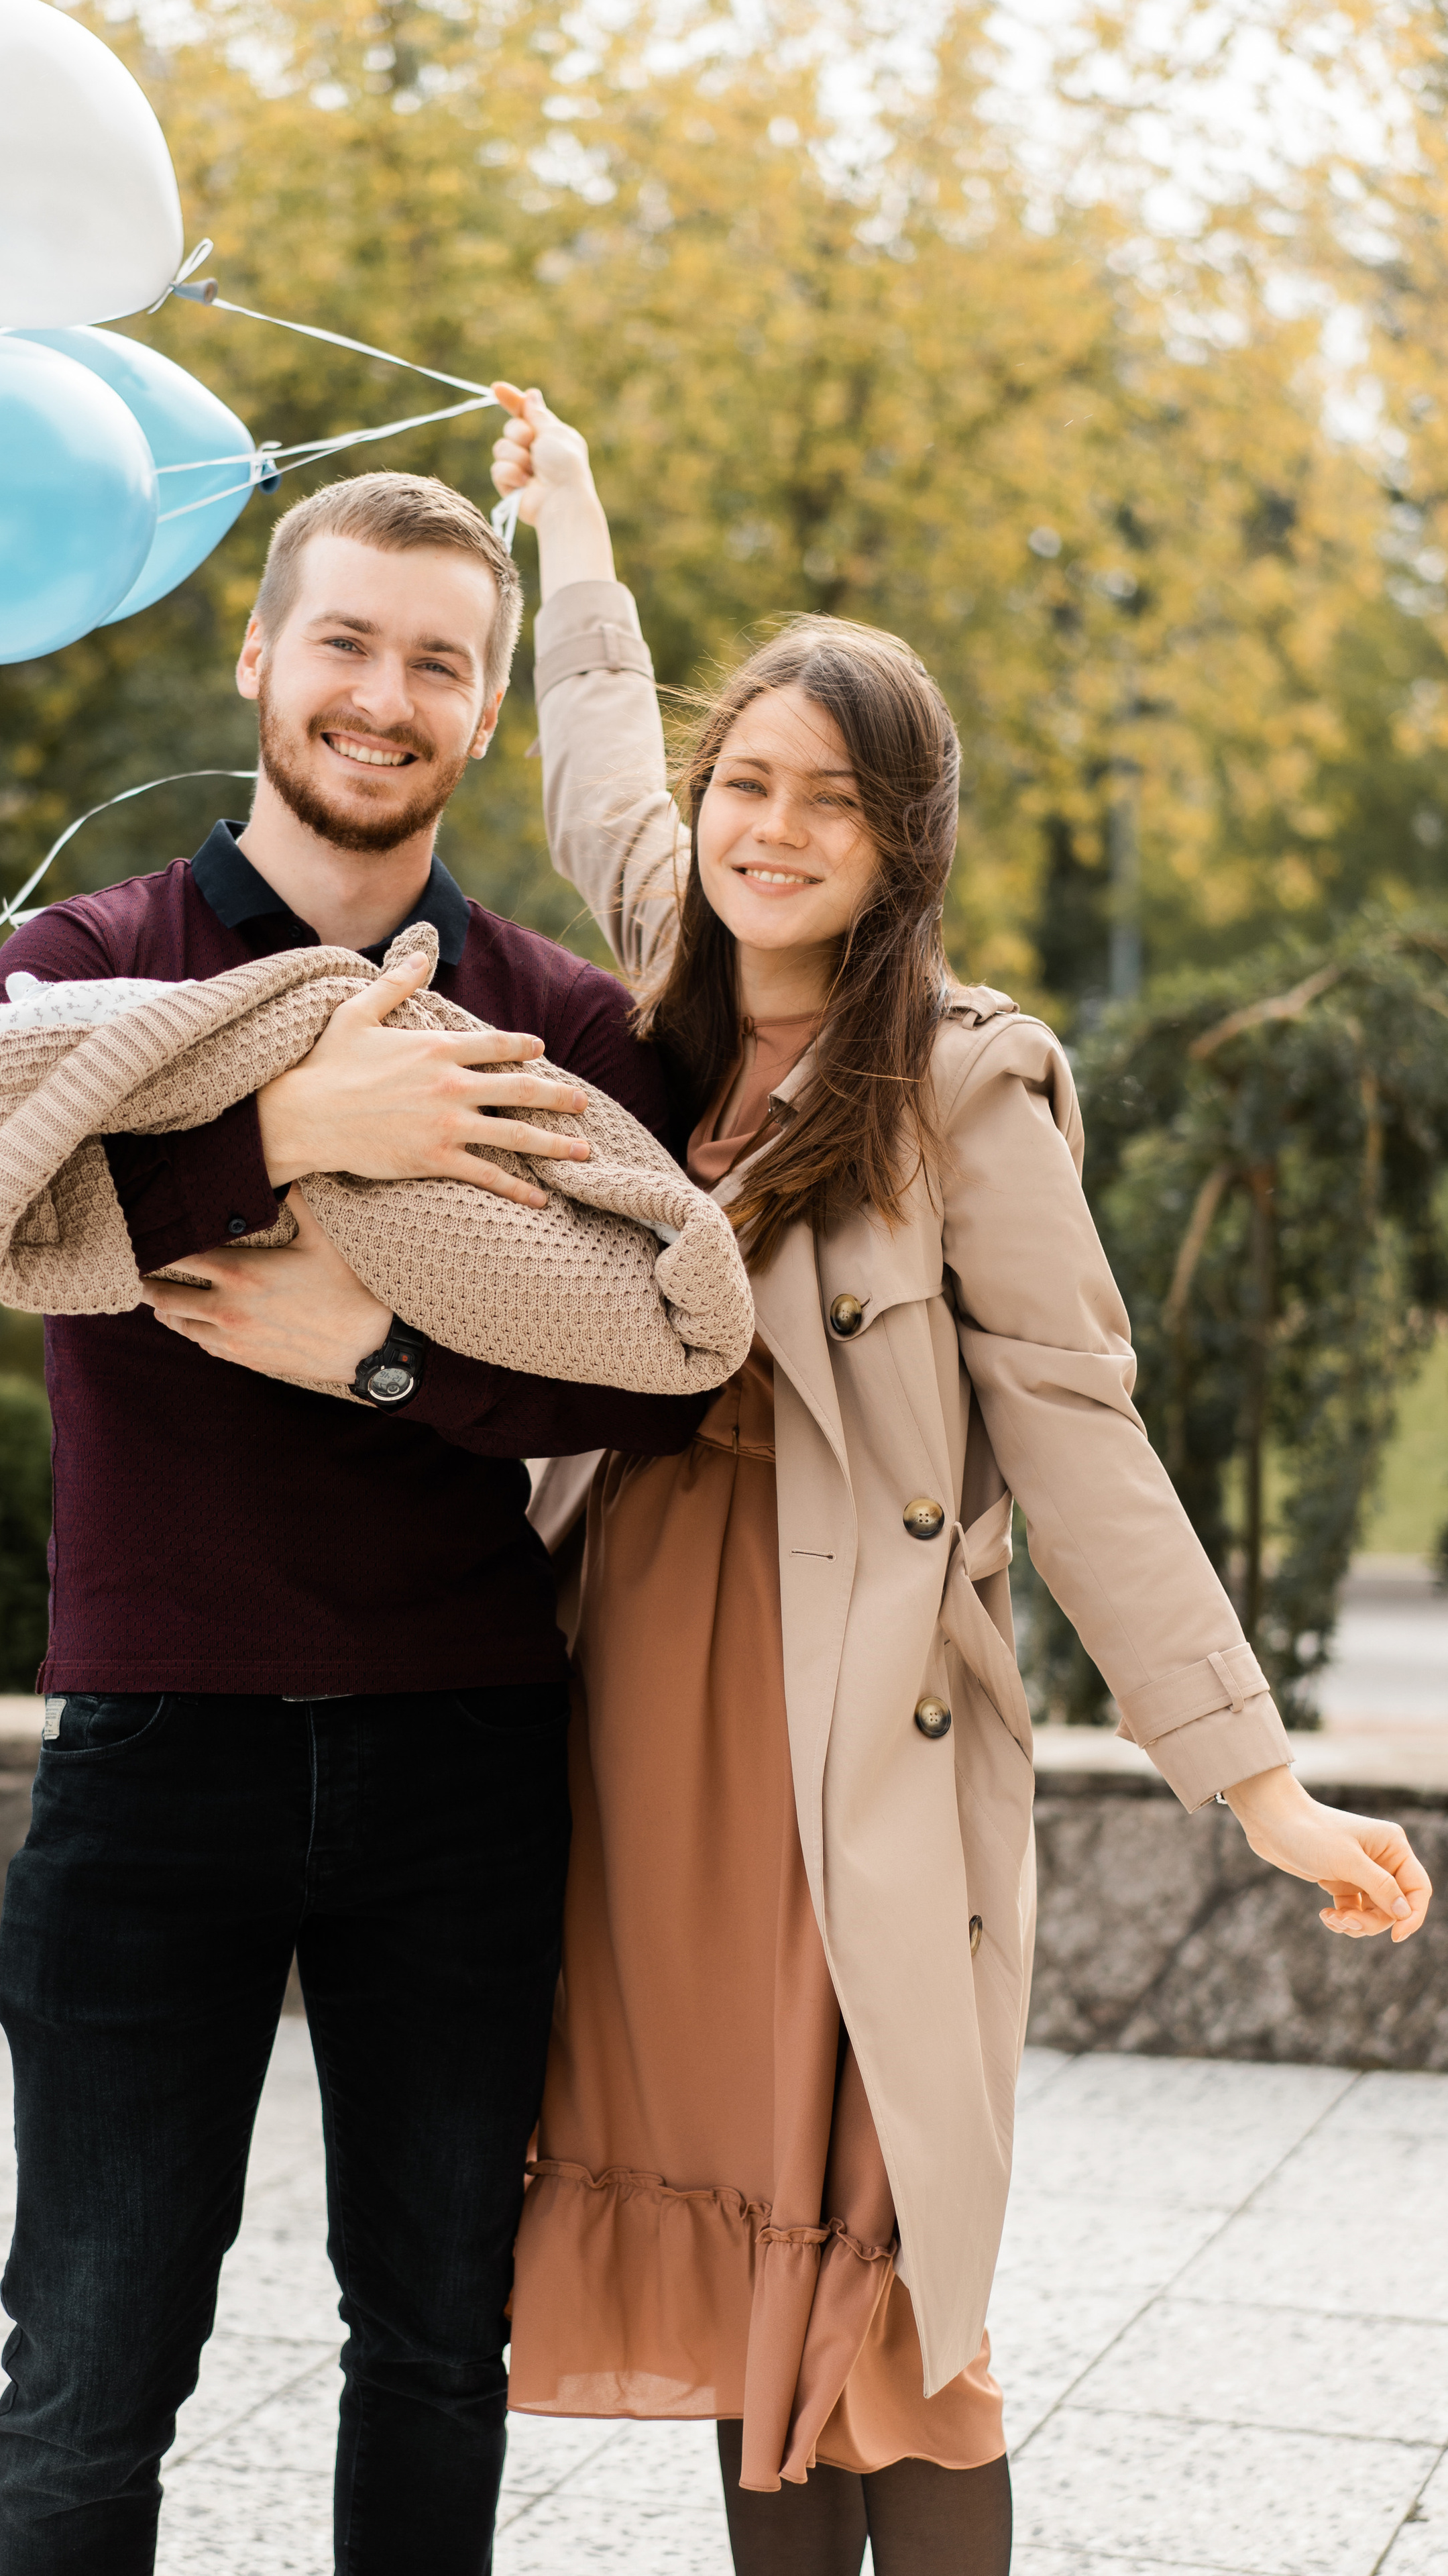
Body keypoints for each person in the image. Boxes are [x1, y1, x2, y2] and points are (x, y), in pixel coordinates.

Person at [487, 386, 1437, 2576]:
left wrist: (1256, 1786)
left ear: (904, 843)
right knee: (753, 2289)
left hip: (864, 1744)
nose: (770, 828)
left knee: (897, 2282)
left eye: (833, 800)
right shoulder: (666, 993)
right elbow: (598, 759)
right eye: (753, 786)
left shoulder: (965, 1095)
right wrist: (584, 535)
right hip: (642, 1723)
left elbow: (1090, 1446)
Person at [0, 470, 720, 2576]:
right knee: (91, 2359)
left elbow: (653, 1365)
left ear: (486, 705)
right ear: (258, 656)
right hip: (157, 1749)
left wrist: (381, 1357)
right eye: (346, 641)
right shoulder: (92, 963)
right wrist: (285, 1127)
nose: (385, 694)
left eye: (441, 661)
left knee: (436, 2342)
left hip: (465, 1752)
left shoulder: (564, 1024)